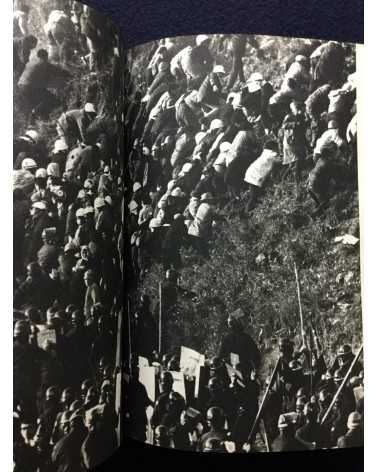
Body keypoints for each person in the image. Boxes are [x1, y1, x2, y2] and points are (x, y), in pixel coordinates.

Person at [18, 49, 71, 118]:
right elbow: (57, 71)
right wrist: (69, 74)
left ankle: (41, 117)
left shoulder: (32, 61)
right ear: (45, 56)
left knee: (42, 101)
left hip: (21, 85)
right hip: (30, 86)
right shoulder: (43, 63)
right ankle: (35, 114)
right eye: (47, 57)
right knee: (51, 99)